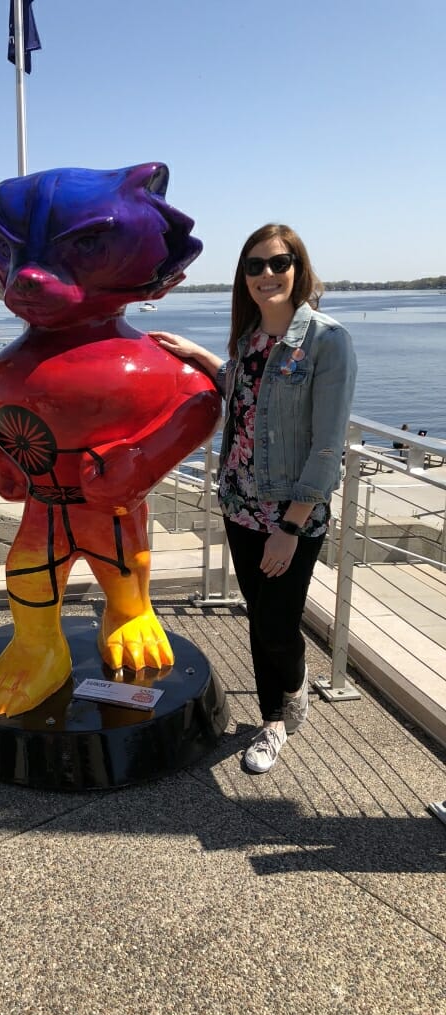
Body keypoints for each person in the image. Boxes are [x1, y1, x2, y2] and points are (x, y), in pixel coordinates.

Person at [151, 224, 357, 774]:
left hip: (290, 514)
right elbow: (243, 392)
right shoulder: (248, 340)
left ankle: (289, 695)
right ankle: (273, 719)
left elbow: (328, 445)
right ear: (243, 278)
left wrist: (291, 526)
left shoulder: (326, 341)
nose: (267, 275)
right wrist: (196, 353)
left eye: (278, 263)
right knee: (259, 617)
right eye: (254, 266)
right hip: (239, 504)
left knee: (276, 624)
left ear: (299, 267)